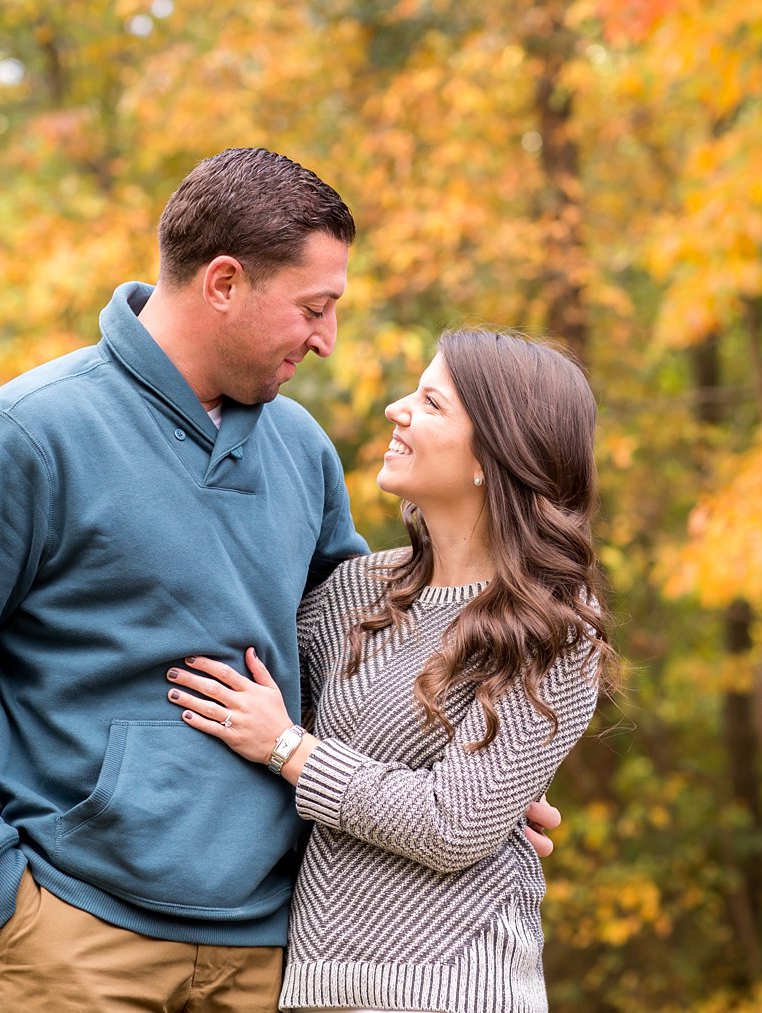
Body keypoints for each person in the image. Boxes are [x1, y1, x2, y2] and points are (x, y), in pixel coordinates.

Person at [0, 148, 557, 1013]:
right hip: (81, 941)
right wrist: (5, 894)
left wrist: (480, 783)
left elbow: (361, 665)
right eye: (314, 308)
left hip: (276, 950)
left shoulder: (300, 449)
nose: (326, 339)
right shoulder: (20, 437)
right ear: (224, 283)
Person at [166, 328, 619, 1013]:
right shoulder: (353, 592)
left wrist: (288, 747)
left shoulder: (556, 629)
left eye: (432, 403)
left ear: (491, 457)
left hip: (459, 991)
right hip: (313, 984)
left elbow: (453, 825)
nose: (397, 409)